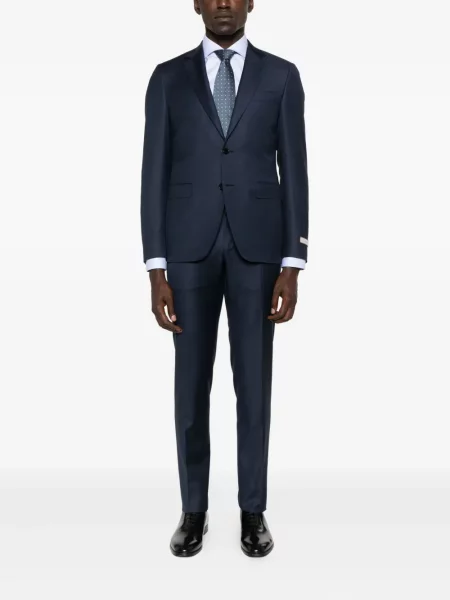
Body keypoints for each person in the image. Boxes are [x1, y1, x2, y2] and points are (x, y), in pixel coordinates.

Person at [140, 0, 308, 558]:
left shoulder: (282, 76)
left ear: (251, 1)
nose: (223, 4)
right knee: (190, 387)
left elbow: (295, 169)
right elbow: (153, 171)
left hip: (259, 251)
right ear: (196, 3)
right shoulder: (167, 78)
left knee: (253, 387)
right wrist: (156, 267)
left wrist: (293, 262)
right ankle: (194, 509)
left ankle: (253, 510)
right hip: (187, 252)